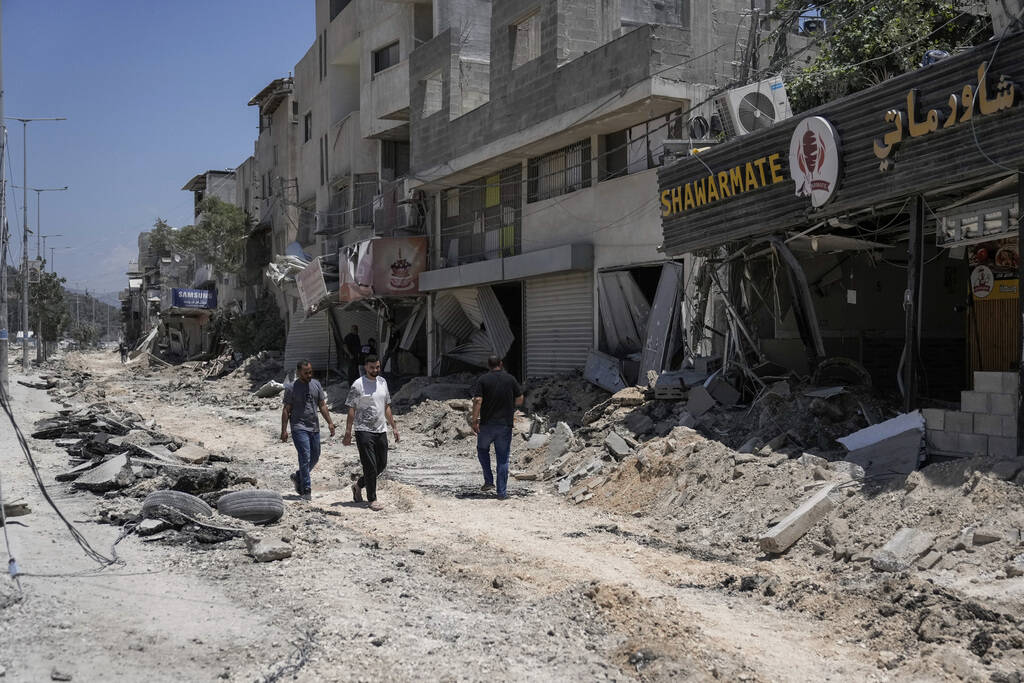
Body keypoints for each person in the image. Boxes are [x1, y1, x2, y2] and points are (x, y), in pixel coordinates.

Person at [343, 354, 399, 511]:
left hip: (381, 429)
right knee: (370, 465)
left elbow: (386, 406)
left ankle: (358, 485)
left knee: (381, 464)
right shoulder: (358, 384)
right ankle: (372, 499)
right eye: (372, 367)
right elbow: (351, 408)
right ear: (366, 367)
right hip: (363, 430)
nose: (375, 370)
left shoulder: (382, 382)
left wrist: (394, 427)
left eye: (378, 367)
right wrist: (348, 431)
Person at [281, 360, 336, 499]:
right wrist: (284, 430)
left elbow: (322, 405)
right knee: (304, 456)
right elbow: (286, 410)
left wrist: (330, 422)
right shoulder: (291, 388)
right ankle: (306, 489)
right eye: (306, 373)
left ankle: (298, 476)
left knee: (315, 456)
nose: (309, 375)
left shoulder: (316, 384)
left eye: (311, 372)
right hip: (298, 427)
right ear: (299, 372)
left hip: (314, 427)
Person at [471, 355, 523, 500]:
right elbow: (519, 399)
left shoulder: (483, 380)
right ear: (501, 364)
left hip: (486, 424)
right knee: (503, 458)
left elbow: (477, 400)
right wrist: (508, 402)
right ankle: (502, 493)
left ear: (488, 365)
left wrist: (474, 420)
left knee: (482, 450)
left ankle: (488, 481)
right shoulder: (510, 379)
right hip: (504, 425)